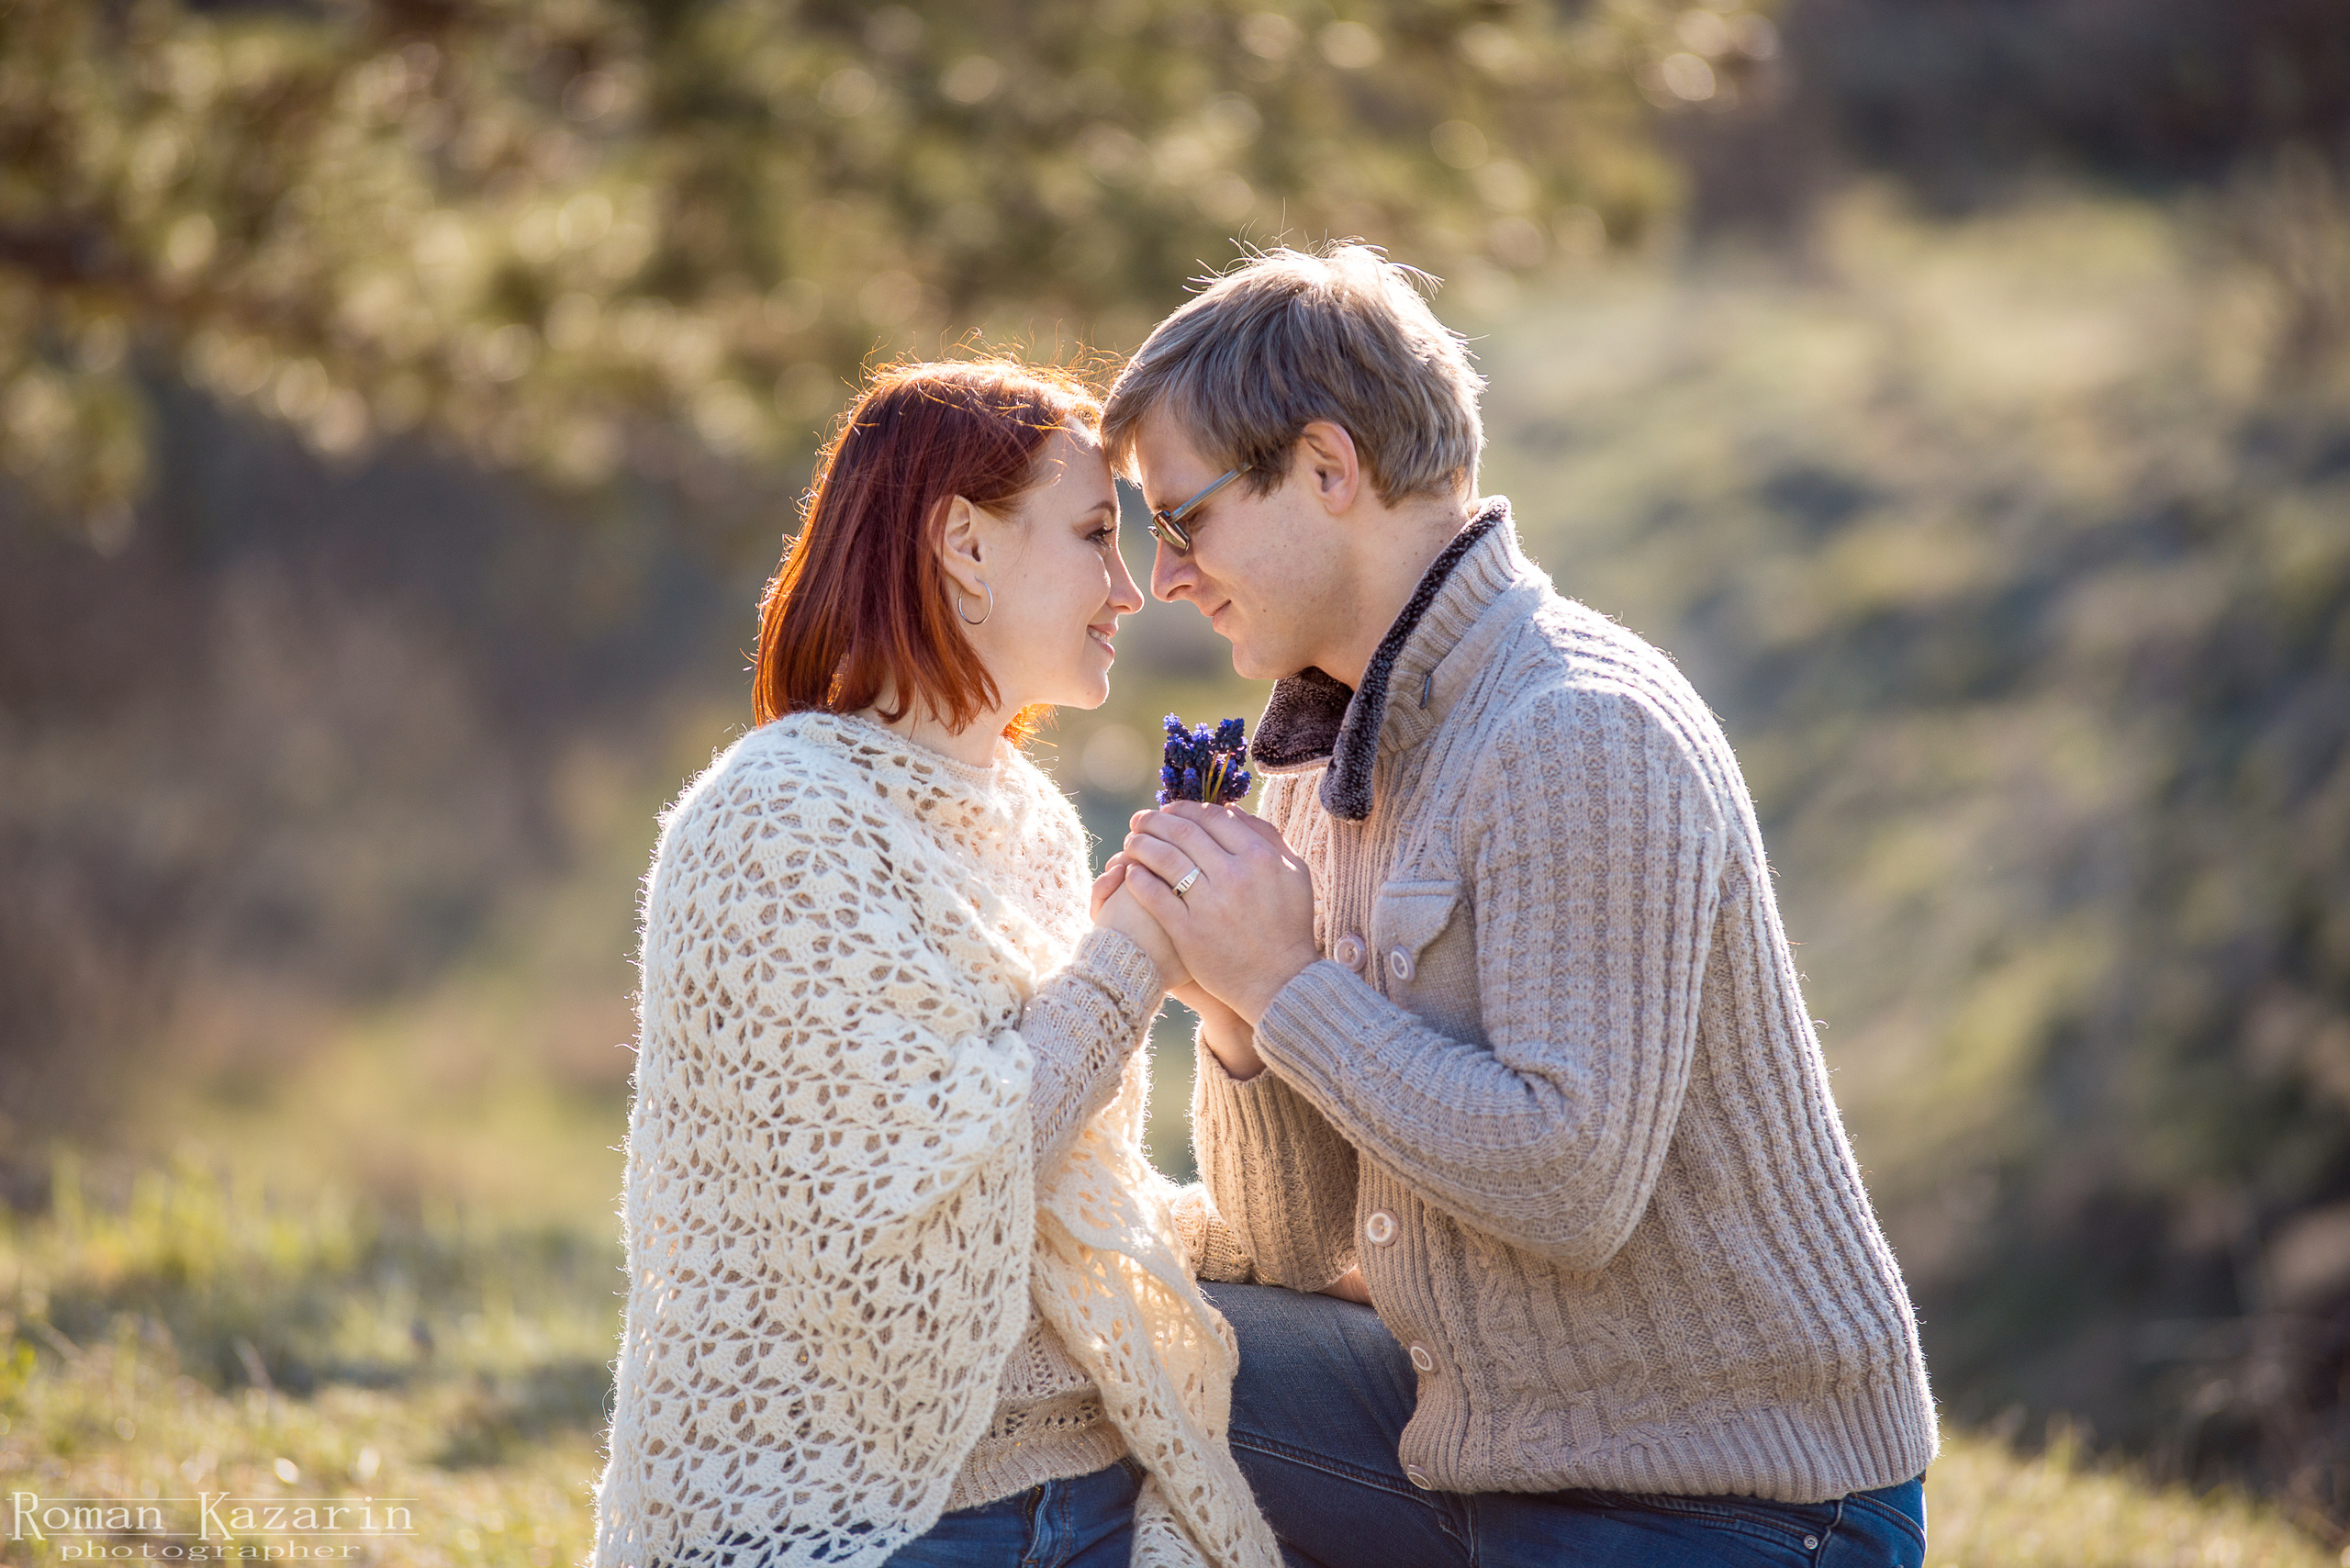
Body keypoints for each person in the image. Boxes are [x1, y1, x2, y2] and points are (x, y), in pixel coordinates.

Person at [1093, 246, 1941, 1567]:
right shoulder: (1324, 763)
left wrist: (1283, 987)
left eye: (1183, 518)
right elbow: (1290, 1241)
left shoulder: (1577, 731)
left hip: (1732, 1505)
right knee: (1071, 1333)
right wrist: (1237, 1027)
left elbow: (1571, 1183)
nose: (1165, 575)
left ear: (1328, 468)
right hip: (1477, 1446)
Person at [591, 359, 1280, 1568]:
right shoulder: (779, 823)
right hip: (880, 1521)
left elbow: (1073, 1197)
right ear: (964, 542)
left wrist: (1239, 1019)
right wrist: (1131, 957)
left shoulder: (1028, 822)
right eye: (1089, 536)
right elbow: (922, 1213)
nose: (1129, 590)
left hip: (1087, 1484)